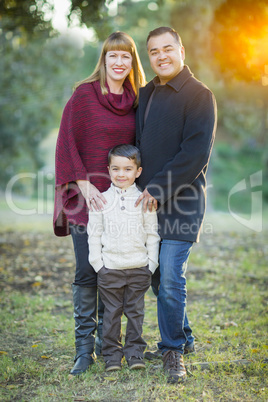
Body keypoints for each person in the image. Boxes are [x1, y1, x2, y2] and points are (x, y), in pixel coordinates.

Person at [53, 32, 146, 376]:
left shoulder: (138, 101)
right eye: (112, 57)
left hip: (121, 202)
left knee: (113, 271)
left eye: (126, 57)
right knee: (87, 271)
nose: (119, 63)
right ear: (104, 60)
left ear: (132, 62)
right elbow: (66, 142)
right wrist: (82, 182)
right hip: (84, 198)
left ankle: (109, 347)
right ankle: (82, 351)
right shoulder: (84, 96)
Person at [135, 27, 217, 383]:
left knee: (170, 274)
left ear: (181, 50)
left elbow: (195, 153)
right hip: (147, 205)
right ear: (149, 57)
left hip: (182, 202)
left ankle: (172, 351)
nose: (161, 56)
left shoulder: (200, 95)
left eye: (168, 49)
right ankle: (184, 336)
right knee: (156, 276)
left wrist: (157, 188)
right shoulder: (146, 93)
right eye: (154, 51)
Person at [87, 144, 160, 371]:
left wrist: (151, 265)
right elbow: (94, 234)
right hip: (110, 269)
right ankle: (111, 356)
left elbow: (152, 234)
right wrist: (99, 265)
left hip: (139, 268)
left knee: (135, 314)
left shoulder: (144, 200)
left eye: (128, 169)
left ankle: (135, 354)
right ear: (108, 170)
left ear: (138, 172)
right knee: (111, 315)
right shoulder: (101, 200)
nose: (121, 174)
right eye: (116, 169)